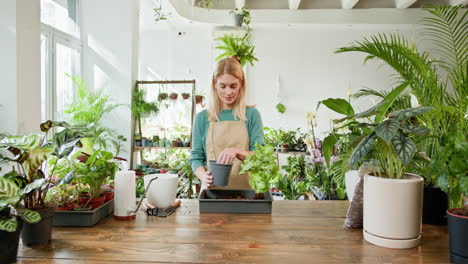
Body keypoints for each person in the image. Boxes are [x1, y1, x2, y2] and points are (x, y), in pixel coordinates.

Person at [190, 57, 264, 190]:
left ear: (241, 83)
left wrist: (236, 152)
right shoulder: (202, 118)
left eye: (233, 86)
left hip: (246, 195)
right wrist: (203, 176)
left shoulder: (252, 115)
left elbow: (259, 156)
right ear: (214, 83)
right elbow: (196, 158)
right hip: (212, 193)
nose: (228, 92)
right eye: (223, 86)